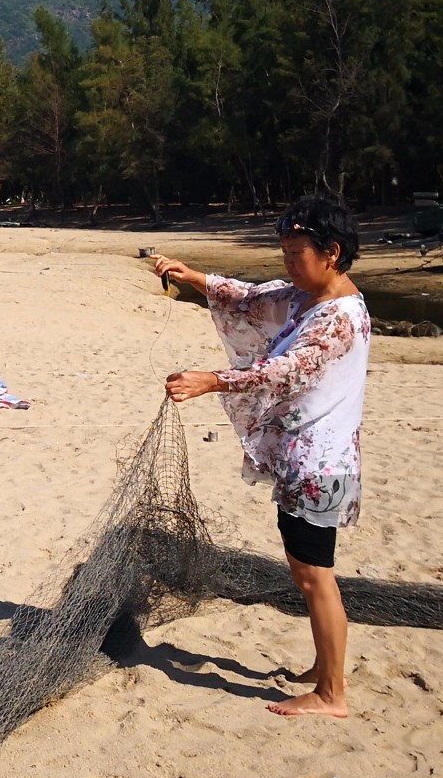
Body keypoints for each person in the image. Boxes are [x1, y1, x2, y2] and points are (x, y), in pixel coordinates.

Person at [149, 196, 370, 717]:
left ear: (331, 253)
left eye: (297, 253)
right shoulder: (304, 297)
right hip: (304, 461)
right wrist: (193, 277)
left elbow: (285, 370)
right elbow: (250, 296)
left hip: (321, 468)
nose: (288, 265)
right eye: (286, 253)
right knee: (305, 572)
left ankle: (331, 695)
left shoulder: (337, 317)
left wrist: (212, 381)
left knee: (316, 576)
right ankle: (324, 667)